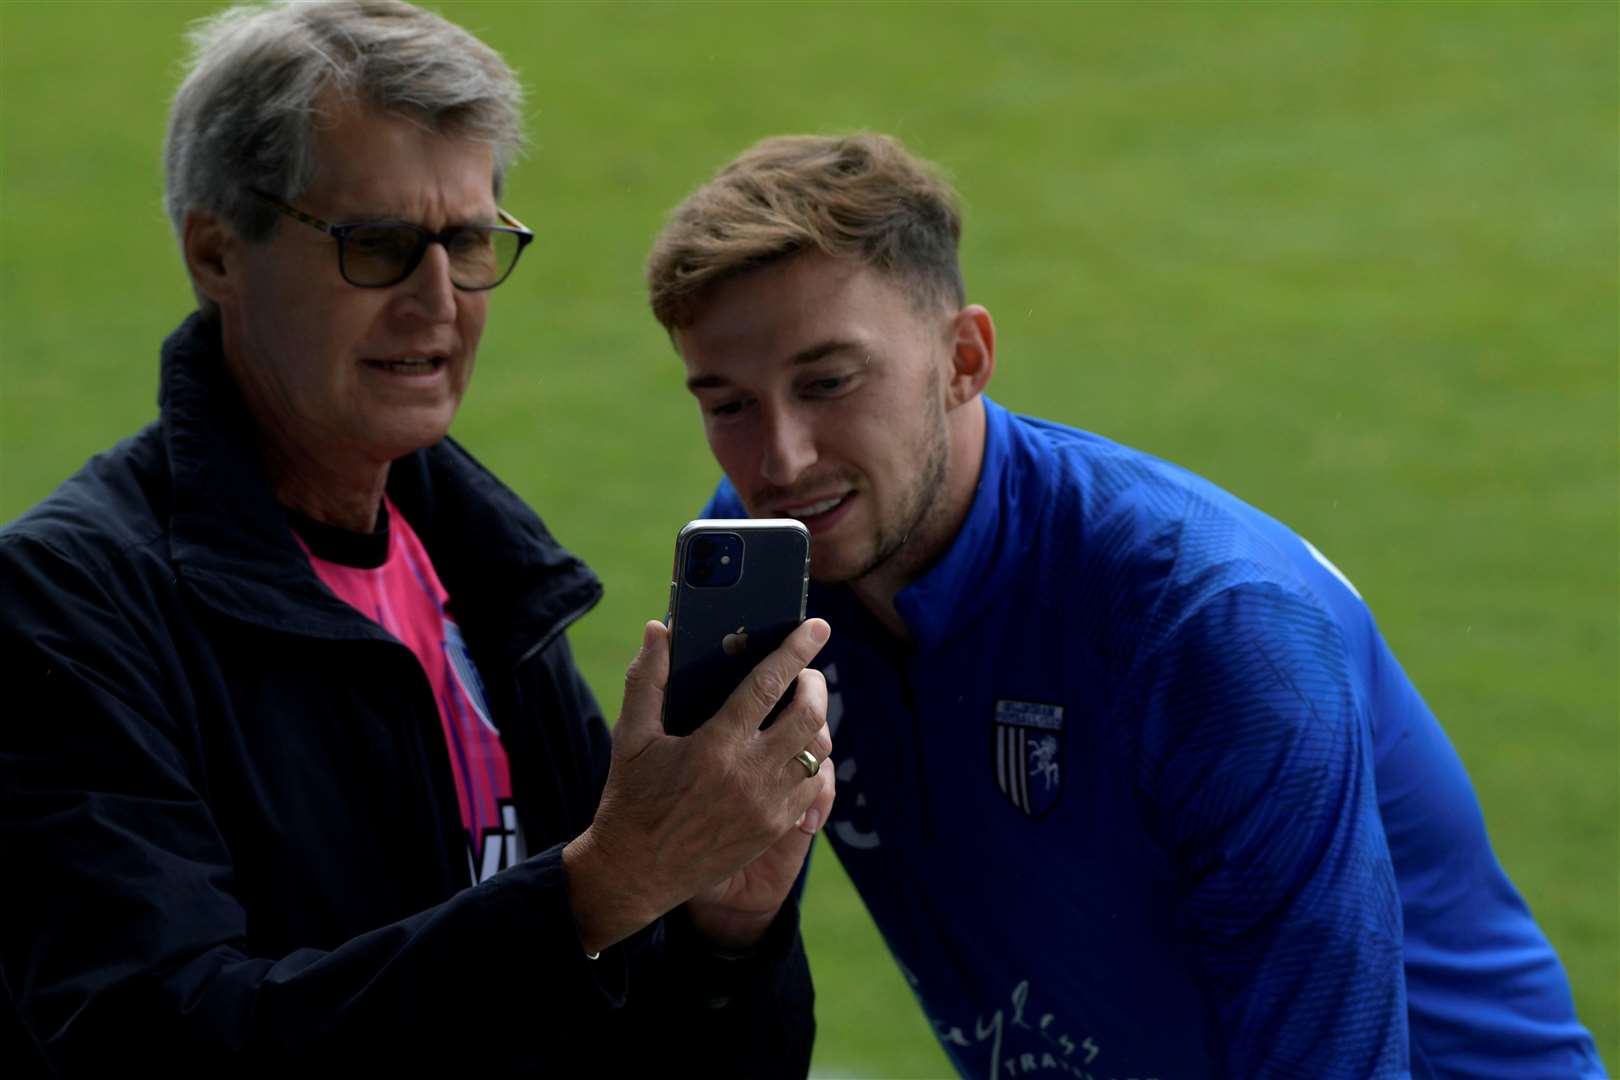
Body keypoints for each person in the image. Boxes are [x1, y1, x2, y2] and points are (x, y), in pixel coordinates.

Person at [644, 133, 1607, 1078]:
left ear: (963, 360)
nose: (782, 460)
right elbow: (707, 1009)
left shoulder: (1210, 626)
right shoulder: (767, 566)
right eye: (728, 404)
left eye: (829, 382)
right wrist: (722, 925)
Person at [0, 3, 837, 1074]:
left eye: (471, 241)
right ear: (216, 251)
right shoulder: (64, 609)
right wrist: (597, 892)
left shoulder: (487, 575)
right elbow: (154, 1042)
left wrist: (725, 932)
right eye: (380, 246)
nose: (438, 302)